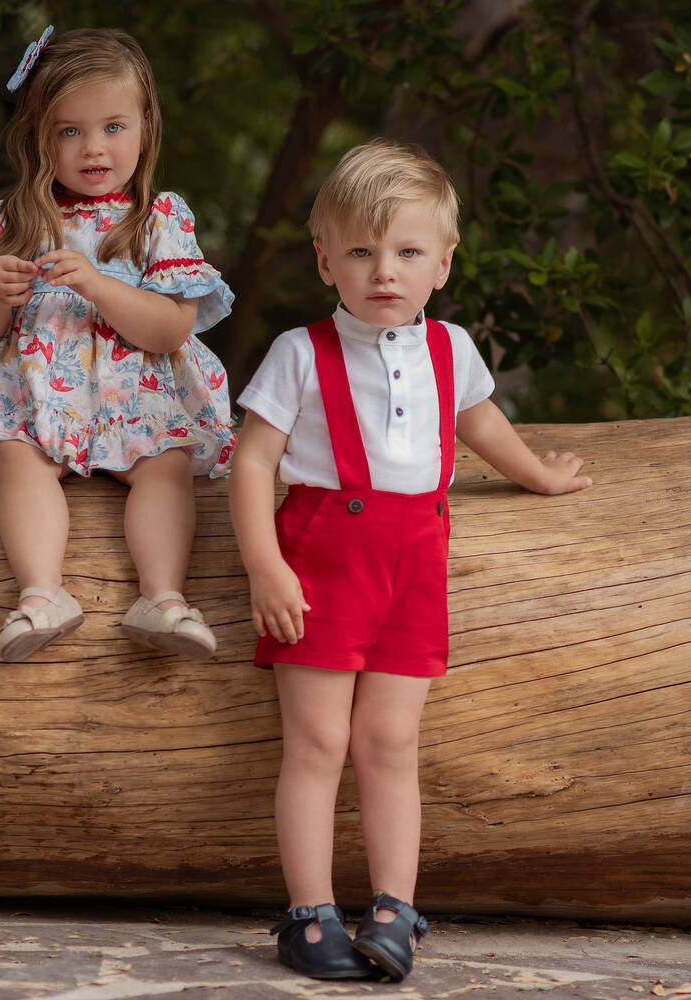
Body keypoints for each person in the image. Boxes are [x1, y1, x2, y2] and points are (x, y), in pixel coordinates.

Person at [229, 138, 592, 982]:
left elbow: (482, 423)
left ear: (443, 263)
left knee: (390, 740)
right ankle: (308, 913)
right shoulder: (299, 352)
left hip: (416, 563)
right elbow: (252, 462)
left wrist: (537, 474)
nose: (382, 271)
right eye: (360, 251)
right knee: (317, 739)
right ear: (325, 261)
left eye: (405, 252)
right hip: (322, 561)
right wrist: (263, 565)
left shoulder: (450, 347)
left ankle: (395, 907)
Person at [0, 27, 234, 663]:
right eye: (70, 131)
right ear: (40, 137)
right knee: (13, 455)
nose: (94, 147)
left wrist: (96, 285)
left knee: (164, 464)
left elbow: (171, 327)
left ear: (145, 127)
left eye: (113, 126)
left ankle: (163, 599)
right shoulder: (18, 218)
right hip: (39, 397)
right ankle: (41, 594)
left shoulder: (159, 217)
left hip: (138, 397)